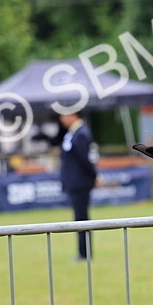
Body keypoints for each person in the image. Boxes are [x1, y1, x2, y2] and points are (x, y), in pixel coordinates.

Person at [58, 110, 99, 260]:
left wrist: (94, 176)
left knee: (82, 219)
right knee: (79, 218)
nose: (61, 119)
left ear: (73, 115)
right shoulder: (73, 132)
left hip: (80, 183)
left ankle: (85, 253)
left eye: (64, 115)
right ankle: (83, 252)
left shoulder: (81, 133)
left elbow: (85, 159)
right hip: (74, 182)